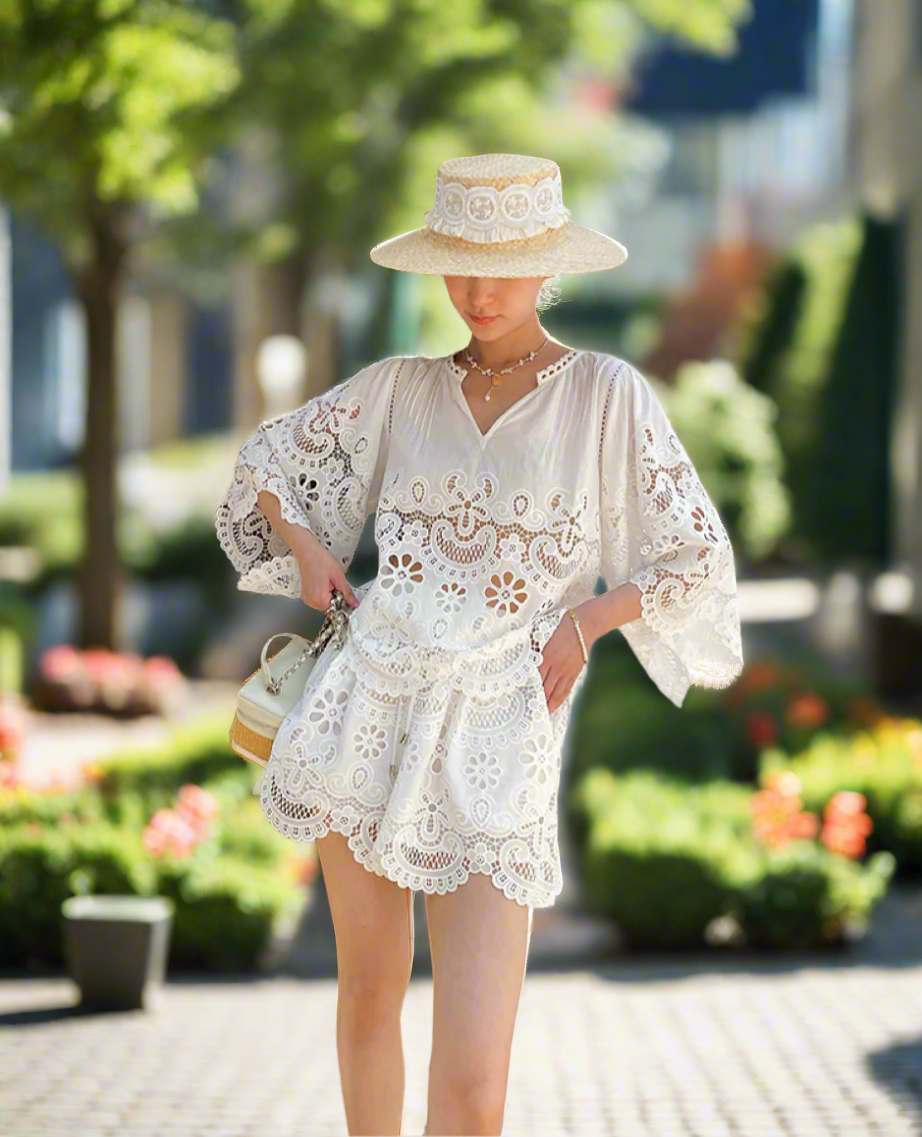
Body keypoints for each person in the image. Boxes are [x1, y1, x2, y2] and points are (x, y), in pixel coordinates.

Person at [214, 152, 744, 1136]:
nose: (477, 291)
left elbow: (694, 560)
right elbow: (267, 466)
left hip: (505, 730)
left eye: (501, 265)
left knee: (473, 1084)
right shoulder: (398, 388)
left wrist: (589, 619)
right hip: (364, 709)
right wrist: (305, 555)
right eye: (458, 264)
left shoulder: (605, 396)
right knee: (368, 1003)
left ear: (547, 265)